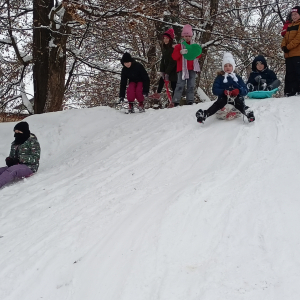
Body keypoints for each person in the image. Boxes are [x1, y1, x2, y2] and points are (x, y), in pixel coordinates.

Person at [195, 52, 255, 123]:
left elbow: (245, 90)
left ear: (233, 67)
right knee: (217, 104)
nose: (228, 67)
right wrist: (223, 91)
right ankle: (205, 114)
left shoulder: (237, 78)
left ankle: (248, 113)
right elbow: (214, 90)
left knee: (240, 104)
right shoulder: (220, 78)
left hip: (236, 97)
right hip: (224, 97)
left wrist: (239, 91)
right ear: (223, 67)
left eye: (230, 65)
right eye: (226, 66)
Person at [0, 121, 41, 189]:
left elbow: (36, 157)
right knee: (2, 170)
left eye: (19, 132)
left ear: (24, 132)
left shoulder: (32, 142)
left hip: (30, 167)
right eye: (15, 132)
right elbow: (12, 156)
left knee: (12, 171)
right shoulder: (15, 142)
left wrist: (20, 158)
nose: (16, 134)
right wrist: (9, 160)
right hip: (17, 164)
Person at [172, 24, 201, 106]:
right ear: (183, 36)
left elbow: (199, 55)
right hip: (182, 69)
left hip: (192, 68)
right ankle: (176, 101)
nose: (187, 37)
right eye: (185, 36)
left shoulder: (194, 46)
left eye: (189, 36)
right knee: (180, 85)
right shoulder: (179, 46)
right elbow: (174, 57)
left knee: (191, 85)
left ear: (191, 36)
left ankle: (190, 101)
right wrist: (180, 53)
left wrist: (194, 52)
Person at [150, 28, 177, 100]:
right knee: (162, 79)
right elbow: (163, 60)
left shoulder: (172, 48)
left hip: (173, 70)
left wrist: (167, 72)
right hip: (166, 69)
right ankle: (158, 93)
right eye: (164, 38)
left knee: (174, 85)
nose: (165, 40)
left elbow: (173, 61)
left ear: (170, 39)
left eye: (167, 38)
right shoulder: (165, 48)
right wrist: (162, 70)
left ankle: (174, 101)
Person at [281, 6, 300, 97]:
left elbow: (298, 39)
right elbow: (285, 38)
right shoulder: (290, 25)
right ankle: (290, 91)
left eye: (296, 14)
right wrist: (283, 46)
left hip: (297, 53)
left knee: (298, 72)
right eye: (292, 15)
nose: (294, 16)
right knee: (290, 73)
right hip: (288, 54)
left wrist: (289, 47)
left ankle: (298, 90)